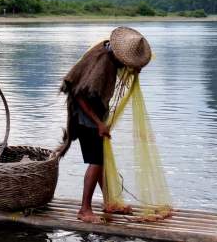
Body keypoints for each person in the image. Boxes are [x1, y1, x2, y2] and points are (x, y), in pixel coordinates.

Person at [57, 26, 152, 223]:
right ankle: (85, 209)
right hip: (85, 115)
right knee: (96, 161)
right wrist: (99, 123)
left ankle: (110, 202)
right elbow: (78, 94)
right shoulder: (103, 63)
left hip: (93, 114)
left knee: (100, 160)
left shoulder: (107, 49)